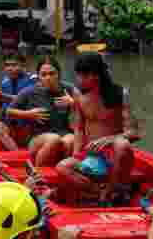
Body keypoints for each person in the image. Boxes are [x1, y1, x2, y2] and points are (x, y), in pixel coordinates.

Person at [57, 52, 142, 204]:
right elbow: (79, 128)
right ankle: (101, 193)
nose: (78, 80)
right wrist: (76, 155)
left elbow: (134, 133)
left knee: (122, 144)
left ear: (95, 75)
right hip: (93, 158)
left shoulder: (119, 94)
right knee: (62, 167)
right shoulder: (79, 97)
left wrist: (109, 139)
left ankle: (112, 190)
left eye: (82, 76)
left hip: (116, 157)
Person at [5, 57, 78, 167]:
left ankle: (61, 170)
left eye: (52, 74)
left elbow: (88, 110)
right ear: (38, 76)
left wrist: (73, 103)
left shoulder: (69, 89)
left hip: (63, 131)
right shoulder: (29, 91)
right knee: (54, 139)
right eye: (43, 75)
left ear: (59, 74)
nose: (48, 78)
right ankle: (39, 172)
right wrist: (29, 114)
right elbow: (9, 111)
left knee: (71, 140)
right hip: (37, 136)